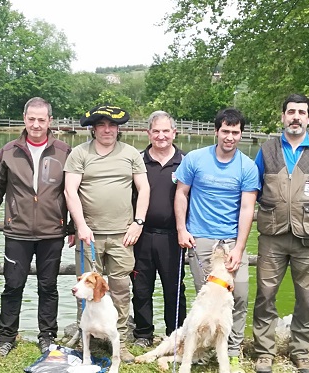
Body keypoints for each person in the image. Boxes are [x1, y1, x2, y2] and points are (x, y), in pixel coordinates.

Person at [0, 97, 72, 357]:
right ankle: (6, 337)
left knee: (48, 287)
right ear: (24, 119)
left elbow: (73, 192)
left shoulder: (64, 151)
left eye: (42, 119)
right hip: (17, 232)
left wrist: (73, 227)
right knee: (12, 286)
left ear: (50, 121)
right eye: (31, 119)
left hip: (52, 232)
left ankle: (47, 336)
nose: (36, 125)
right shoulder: (9, 151)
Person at [252, 94, 309, 373]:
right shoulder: (265, 150)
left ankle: (301, 351)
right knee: (265, 294)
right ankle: (264, 352)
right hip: (272, 237)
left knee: (307, 298)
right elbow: (255, 187)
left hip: (308, 239)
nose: (296, 117)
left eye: (301, 112)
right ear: (283, 117)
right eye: (291, 112)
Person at [174, 107, 260, 373]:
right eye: (225, 131)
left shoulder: (247, 166)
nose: (230, 137)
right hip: (200, 238)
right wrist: (181, 229)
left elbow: (247, 208)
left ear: (241, 134)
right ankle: (198, 350)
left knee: (240, 296)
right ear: (216, 131)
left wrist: (240, 247)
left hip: (231, 241)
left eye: (235, 132)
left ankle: (232, 351)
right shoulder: (195, 159)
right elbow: (182, 194)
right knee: (206, 301)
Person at [64, 104, 150, 363]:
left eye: (112, 125)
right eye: (101, 125)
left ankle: (119, 340)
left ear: (118, 128)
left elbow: (143, 189)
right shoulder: (79, 153)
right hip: (89, 234)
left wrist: (138, 222)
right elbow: (70, 191)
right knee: (85, 289)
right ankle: (85, 337)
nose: (107, 130)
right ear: (93, 128)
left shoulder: (131, 153)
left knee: (121, 288)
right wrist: (80, 225)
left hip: (123, 234)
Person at [130, 110, 186, 348]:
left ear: (174, 132)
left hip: (173, 237)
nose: (161, 136)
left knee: (174, 288)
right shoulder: (138, 161)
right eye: (156, 131)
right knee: (141, 288)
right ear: (148, 133)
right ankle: (143, 334)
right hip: (142, 235)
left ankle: (176, 335)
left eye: (166, 131)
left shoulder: (186, 161)